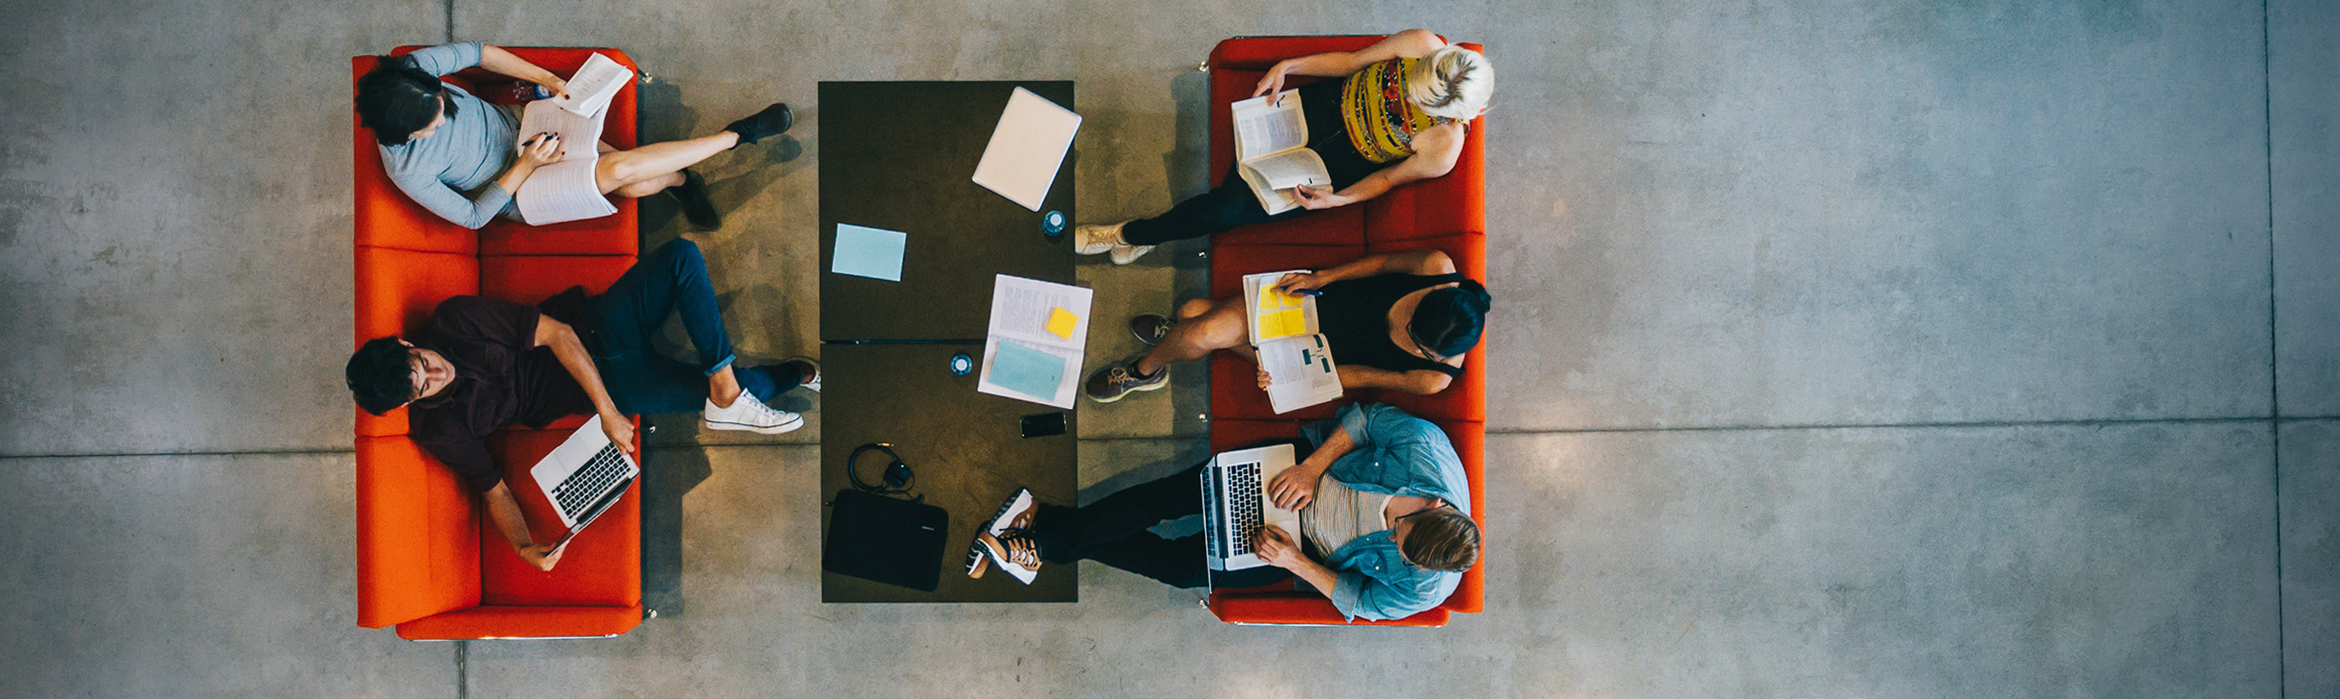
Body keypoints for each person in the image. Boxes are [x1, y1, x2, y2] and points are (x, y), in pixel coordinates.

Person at [345, 239, 815, 571]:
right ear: (412, 402)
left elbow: (558, 333)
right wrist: (524, 546)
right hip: (618, 382)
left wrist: (609, 413)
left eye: (423, 363)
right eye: (423, 386)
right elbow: (493, 489)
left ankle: (725, 390)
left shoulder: (453, 321)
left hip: (597, 328)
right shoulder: (439, 430)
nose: (436, 374)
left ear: (409, 342)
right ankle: (797, 372)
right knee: (753, 384)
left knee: (682, 256)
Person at [974, 403, 1478, 621]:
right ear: (1435, 504)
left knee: (1180, 568)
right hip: (1294, 469)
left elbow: (1363, 603)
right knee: (1168, 500)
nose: (1391, 541)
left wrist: (1294, 563)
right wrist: (1311, 469)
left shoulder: (1427, 585)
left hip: (1298, 549)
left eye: (1401, 554)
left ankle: (1040, 531)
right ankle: (1041, 541)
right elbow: (1366, 419)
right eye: (1399, 530)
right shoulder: (1426, 452)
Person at [1073, 29, 1491, 265]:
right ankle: (1162, 228)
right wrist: (1288, 66)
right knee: (1229, 188)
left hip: (1340, 162)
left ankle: (1130, 233)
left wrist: (1337, 201)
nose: (1409, 98)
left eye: (1421, 103)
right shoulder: (1421, 45)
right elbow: (1351, 62)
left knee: (1225, 210)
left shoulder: (1444, 144)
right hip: (1323, 105)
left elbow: (1386, 178)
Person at [355, 42, 797, 231]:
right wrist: (524, 166)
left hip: (525, 124)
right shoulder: (407, 169)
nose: (444, 119)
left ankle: (683, 182)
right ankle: (739, 135)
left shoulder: (412, 70)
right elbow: (473, 217)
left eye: (442, 105)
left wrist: (548, 78)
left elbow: (479, 52)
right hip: (520, 191)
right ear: (405, 135)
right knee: (626, 170)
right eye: (432, 125)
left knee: (641, 183)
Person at [1084, 248, 1488, 403]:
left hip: (1309, 355)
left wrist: (1292, 376)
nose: (1409, 338)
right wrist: (1323, 276)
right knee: (1196, 322)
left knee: (1193, 319)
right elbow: (1380, 264)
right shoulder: (1435, 269)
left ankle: (1152, 365)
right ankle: (1151, 366)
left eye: (1420, 345)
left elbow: (1361, 376)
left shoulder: (1434, 378)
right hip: (1305, 303)